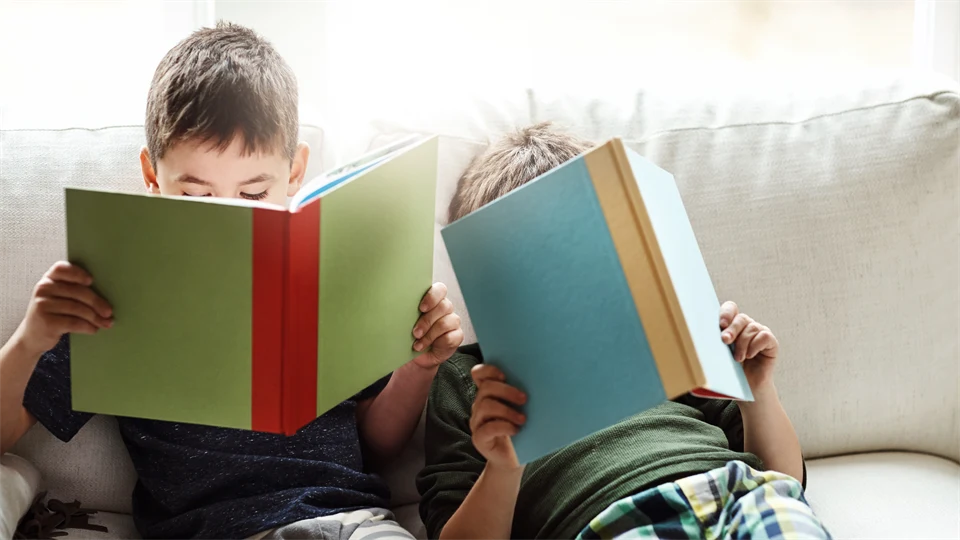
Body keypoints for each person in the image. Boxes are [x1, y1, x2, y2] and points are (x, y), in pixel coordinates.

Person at [0, 23, 463, 540]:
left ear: (294, 173)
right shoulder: (113, 294)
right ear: (153, 178)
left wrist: (419, 367)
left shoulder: (328, 272)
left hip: (348, 524)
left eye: (252, 194)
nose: (227, 220)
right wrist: (30, 341)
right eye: (197, 197)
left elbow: (376, 445)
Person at [417, 123, 831, 540]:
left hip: (740, 493)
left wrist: (757, 391)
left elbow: (786, 477)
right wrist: (504, 467)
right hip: (610, 523)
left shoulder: (664, 333)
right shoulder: (467, 380)